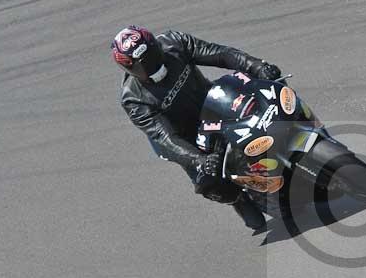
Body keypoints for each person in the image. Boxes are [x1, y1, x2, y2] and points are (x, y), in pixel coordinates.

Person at [112, 25, 283, 229]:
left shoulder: (174, 42)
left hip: (213, 103)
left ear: (156, 45)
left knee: (269, 102)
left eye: (151, 56)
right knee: (209, 182)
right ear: (129, 69)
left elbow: (221, 54)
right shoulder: (134, 99)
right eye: (141, 65)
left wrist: (256, 66)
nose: (149, 66)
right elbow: (166, 138)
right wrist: (199, 159)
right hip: (186, 137)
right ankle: (238, 199)